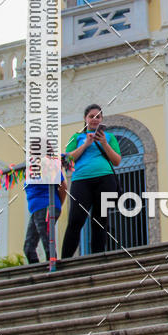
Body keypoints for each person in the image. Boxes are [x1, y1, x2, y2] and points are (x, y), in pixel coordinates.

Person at [61, 105, 121, 258]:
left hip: (105, 180)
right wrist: (86, 144)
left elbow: (117, 161)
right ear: (85, 119)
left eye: (98, 117)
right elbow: (67, 160)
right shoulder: (76, 137)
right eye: (91, 116)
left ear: (102, 120)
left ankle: (98, 259)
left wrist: (104, 143)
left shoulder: (109, 137)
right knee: (75, 220)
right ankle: (66, 259)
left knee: (100, 220)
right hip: (81, 181)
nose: (95, 119)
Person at [23, 166, 67, 264]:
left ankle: (53, 269)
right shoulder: (29, 168)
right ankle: (37, 273)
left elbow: (63, 187)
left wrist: (57, 205)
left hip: (46, 206)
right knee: (28, 248)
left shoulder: (48, 165)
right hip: (36, 210)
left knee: (47, 242)